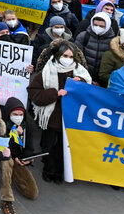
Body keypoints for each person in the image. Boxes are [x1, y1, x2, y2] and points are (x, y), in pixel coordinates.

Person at [27, 41, 91, 184]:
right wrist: (55, 93)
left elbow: (89, 92)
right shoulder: (46, 72)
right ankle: (49, 171)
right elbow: (34, 93)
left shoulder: (80, 72)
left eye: (70, 56)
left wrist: (80, 83)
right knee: (50, 146)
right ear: (57, 56)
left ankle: (59, 173)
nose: (68, 59)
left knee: (64, 148)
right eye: (64, 55)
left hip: (70, 119)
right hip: (52, 119)